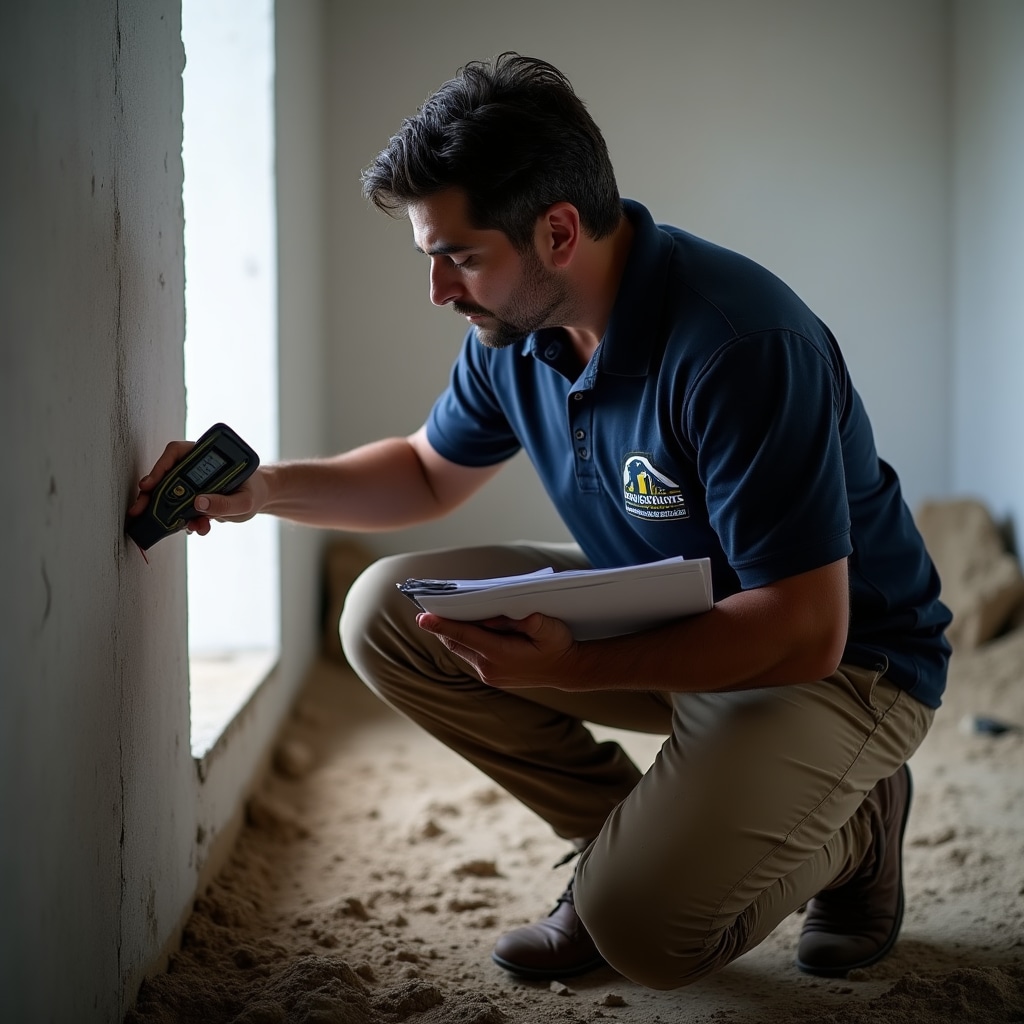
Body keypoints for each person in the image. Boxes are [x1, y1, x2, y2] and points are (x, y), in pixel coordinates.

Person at [129, 53, 952, 990]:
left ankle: (857, 830)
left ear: (558, 231)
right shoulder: (516, 332)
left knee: (647, 938)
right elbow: (426, 472)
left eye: (459, 257)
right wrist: (264, 489)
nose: (439, 291)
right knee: (382, 616)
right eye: (431, 257)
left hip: (845, 663)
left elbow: (805, 629)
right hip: (684, 607)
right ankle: (618, 844)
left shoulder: (738, 347)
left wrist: (575, 664)